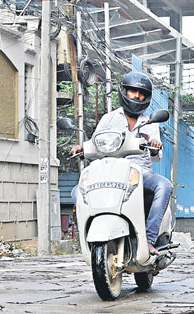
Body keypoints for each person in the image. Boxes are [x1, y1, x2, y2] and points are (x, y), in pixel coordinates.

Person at [73, 71, 173, 255]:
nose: (137, 96)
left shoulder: (150, 122)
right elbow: (96, 145)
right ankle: (89, 234)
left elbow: (156, 157)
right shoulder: (109, 119)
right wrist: (82, 149)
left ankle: (149, 239)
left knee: (164, 185)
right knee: (77, 191)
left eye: (142, 94)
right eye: (133, 92)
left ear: (147, 98)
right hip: (109, 170)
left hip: (140, 172)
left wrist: (156, 146)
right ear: (124, 92)